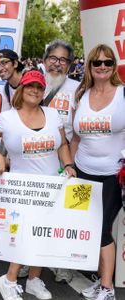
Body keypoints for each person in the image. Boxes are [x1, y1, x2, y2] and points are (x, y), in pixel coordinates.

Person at [0, 70, 76, 300]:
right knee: (28, 234)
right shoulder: (7, 118)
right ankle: (9, 279)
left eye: (40, 87)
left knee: (44, 234)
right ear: (21, 88)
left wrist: (69, 164)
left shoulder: (53, 115)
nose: (35, 90)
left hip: (51, 186)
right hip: (23, 189)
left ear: (44, 92)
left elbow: (62, 144)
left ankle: (33, 280)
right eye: (30, 85)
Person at [71, 44, 124, 300]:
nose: (102, 66)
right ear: (89, 66)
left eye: (108, 62)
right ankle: (101, 281)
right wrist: (69, 165)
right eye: (97, 62)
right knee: (87, 227)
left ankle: (107, 288)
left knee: (102, 228)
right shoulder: (81, 95)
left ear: (114, 66)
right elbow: (75, 138)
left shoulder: (123, 95)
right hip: (82, 171)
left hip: (113, 174)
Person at [43, 39, 79, 143]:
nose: (57, 64)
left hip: (64, 153)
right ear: (45, 61)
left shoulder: (78, 89)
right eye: (53, 58)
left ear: (68, 66)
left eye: (63, 60)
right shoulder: (31, 86)